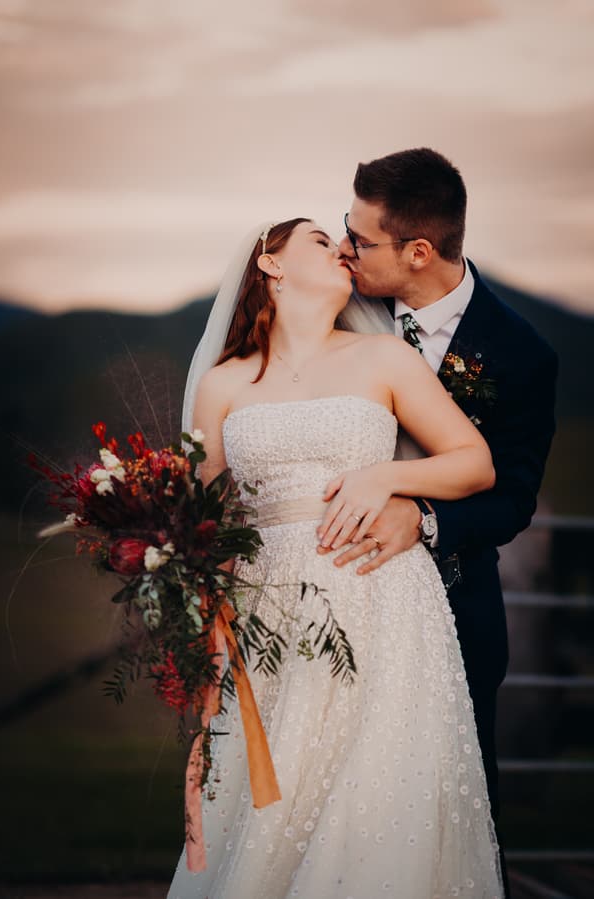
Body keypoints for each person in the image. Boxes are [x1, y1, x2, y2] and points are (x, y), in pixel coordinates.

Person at [168, 216, 504, 897]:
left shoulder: (383, 360)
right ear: (270, 263)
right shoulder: (225, 384)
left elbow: (475, 463)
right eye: (321, 241)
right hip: (268, 621)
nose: (341, 250)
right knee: (276, 802)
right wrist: (205, 649)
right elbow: (202, 533)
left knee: (373, 801)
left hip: (382, 598)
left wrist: (386, 478)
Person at [326, 148, 559, 896]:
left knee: (455, 816)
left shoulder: (523, 352)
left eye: (359, 238)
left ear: (418, 251)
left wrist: (423, 520)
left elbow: (512, 497)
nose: (343, 248)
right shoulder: (340, 310)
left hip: (457, 607)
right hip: (341, 602)